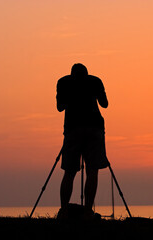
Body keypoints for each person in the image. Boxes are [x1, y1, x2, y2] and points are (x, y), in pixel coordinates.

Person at [56, 63, 109, 218]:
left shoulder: (63, 82)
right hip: (94, 129)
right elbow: (105, 104)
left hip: (73, 129)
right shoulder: (96, 81)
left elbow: (60, 107)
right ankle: (87, 212)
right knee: (92, 171)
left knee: (69, 171)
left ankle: (65, 211)